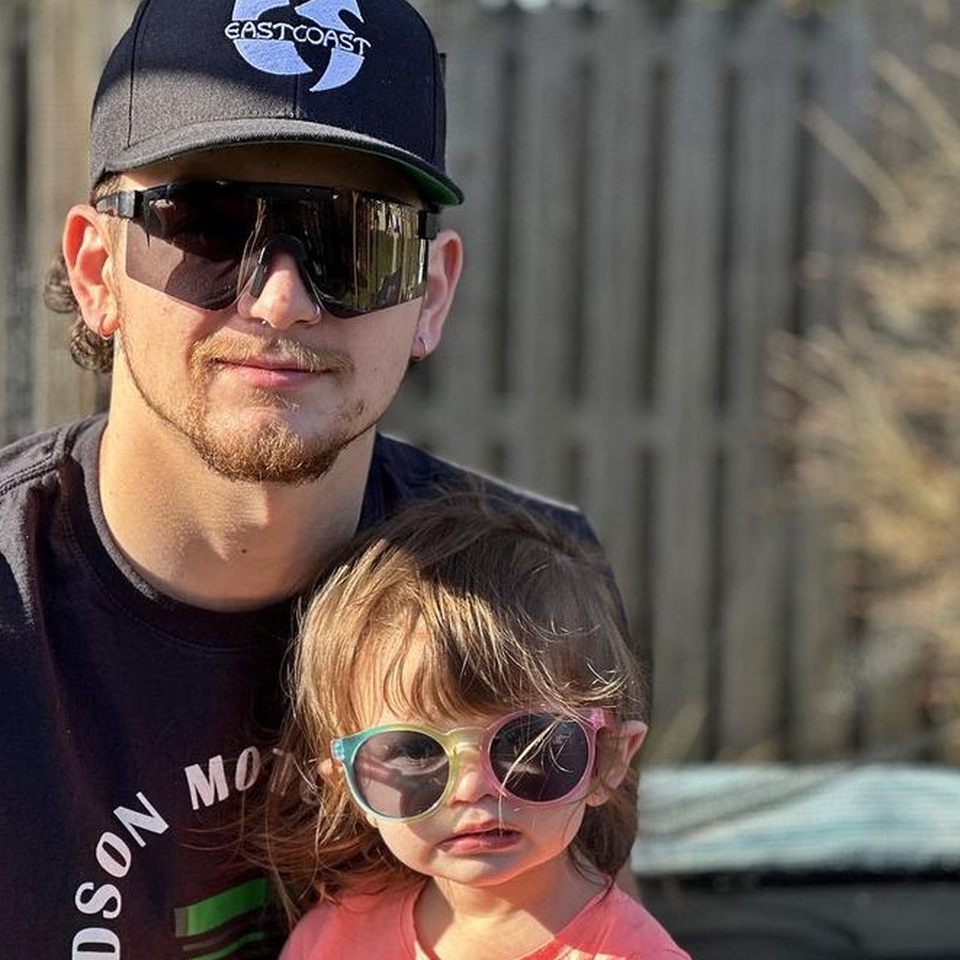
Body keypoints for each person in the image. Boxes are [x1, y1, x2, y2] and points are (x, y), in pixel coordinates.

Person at [0, 0, 649, 955]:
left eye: (351, 240)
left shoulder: (533, 586)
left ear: (431, 295)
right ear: (98, 271)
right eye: (209, 228)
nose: (281, 299)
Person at [257, 495, 686, 960]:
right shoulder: (333, 941)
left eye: (523, 742)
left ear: (607, 759)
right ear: (350, 785)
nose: (472, 788)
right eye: (415, 751)